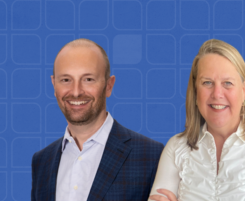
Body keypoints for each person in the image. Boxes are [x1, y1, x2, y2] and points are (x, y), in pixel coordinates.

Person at [148, 39, 245, 201]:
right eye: (207, 83)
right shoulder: (175, 147)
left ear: (244, 91)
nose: (217, 94)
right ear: (195, 91)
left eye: (227, 83)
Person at [31, 38, 164, 201]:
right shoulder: (42, 161)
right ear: (54, 84)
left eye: (88, 79)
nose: (76, 92)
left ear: (109, 85)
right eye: (66, 80)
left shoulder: (151, 156)